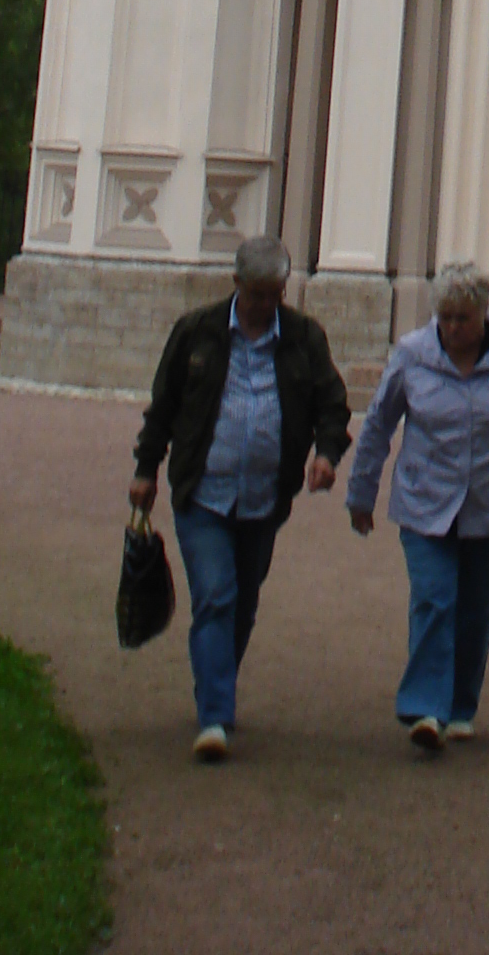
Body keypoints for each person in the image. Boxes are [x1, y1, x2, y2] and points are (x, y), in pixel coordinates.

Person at [129, 233, 348, 763]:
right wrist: (145, 469)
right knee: (215, 595)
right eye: (257, 295)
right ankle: (214, 716)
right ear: (236, 286)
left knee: (243, 602)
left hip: (263, 498)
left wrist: (326, 454)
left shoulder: (302, 337)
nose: (266, 305)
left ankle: (216, 687)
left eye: (275, 295)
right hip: (202, 490)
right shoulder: (197, 333)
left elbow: (332, 404)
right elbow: (164, 406)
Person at [345, 262, 489, 751]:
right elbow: (379, 425)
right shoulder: (412, 354)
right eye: (445, 317)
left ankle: (461, 705)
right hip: (425, 502)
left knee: (474, 608)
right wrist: (361, 494)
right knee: (434, 598)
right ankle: (426, 707)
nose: (452, 328)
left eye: (463, 318)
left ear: (484, 314)